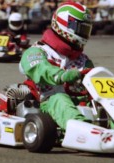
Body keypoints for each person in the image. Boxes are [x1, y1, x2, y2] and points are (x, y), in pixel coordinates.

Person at [18, 2, 94, 130]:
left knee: (103, 101)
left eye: (87, 29)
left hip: (77, 101)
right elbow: (41, 70)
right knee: (60, 99)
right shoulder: (37, 51)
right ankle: (82, 130)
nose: (84, 33)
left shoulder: (82, 59)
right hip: (46, 103)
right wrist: (62, 75)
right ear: (65, 25)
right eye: (81, 29)